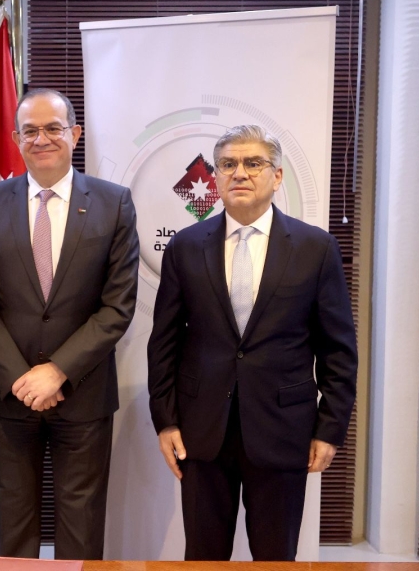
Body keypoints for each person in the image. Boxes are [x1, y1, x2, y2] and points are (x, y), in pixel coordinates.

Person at [147, 125, 358, 561]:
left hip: (284, 430)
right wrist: (166, 422)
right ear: (215, 177)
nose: (239, 173)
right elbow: (164, 342)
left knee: (276, 559)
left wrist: (330, 429)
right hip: (202, 431)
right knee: (202, 558)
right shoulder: (185, 247)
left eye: (253, 163)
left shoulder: (315, 247)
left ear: (277, 176)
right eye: (228, 164)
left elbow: (338, 350)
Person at [0, 88, 139, 560]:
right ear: (15, 138)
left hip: (83, 394)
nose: (41, 139)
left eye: (53, 128)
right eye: (30, 131)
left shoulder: (114, 203)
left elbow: (117, 305)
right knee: (12, 531)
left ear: (75, 134)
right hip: (11, 395)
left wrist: (58, 370)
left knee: (81, 531)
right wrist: (19, 378)